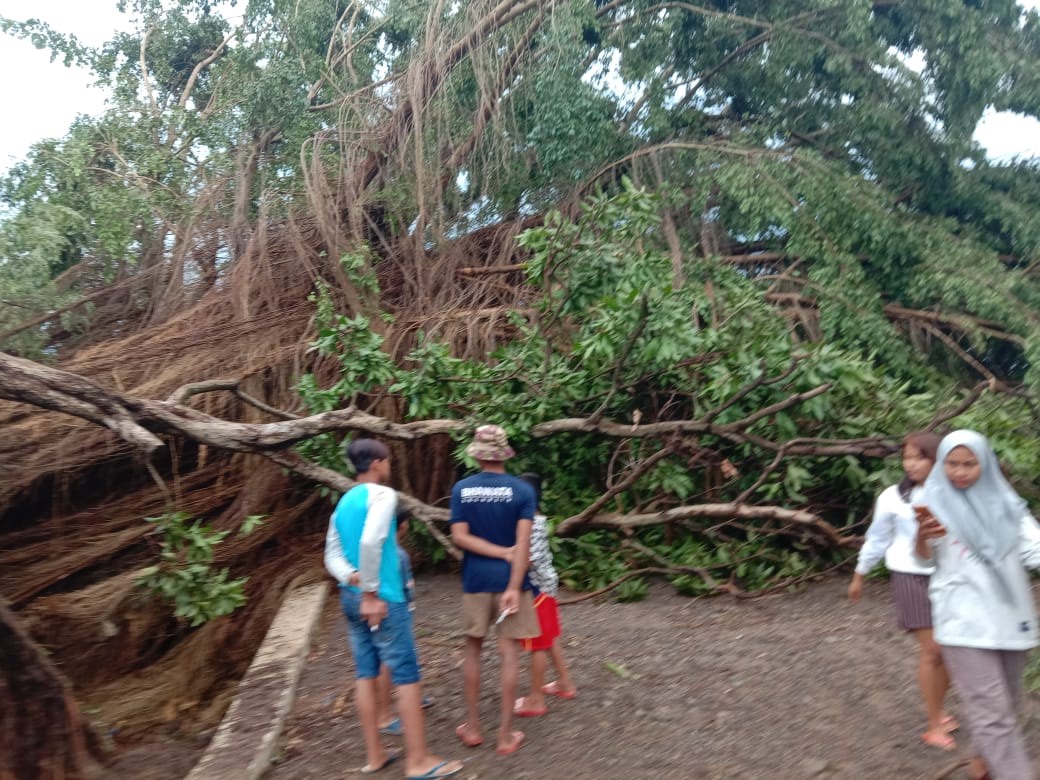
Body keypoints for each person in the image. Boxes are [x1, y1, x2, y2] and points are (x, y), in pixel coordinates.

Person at [323, 438, 462, 780]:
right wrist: (371, 591)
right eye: (386, 459)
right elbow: (372, 540)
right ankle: (418, 761)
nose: (389, 464)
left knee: (365, 675)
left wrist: (353, 579)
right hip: (382, 600)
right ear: (375, 462)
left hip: (350, 596)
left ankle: (375, 755)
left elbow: (331, 554)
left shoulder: (342, 503)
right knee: (407, 676)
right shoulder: (384, 495)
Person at [914, 429, 1040, 780]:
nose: (960, 472)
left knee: (1009, 708)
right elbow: (924, 562)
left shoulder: (1007, 505)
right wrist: (921, 537)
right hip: (963, 622)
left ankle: (981, 766)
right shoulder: (933, 503)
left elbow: (1034, 548)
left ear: (985, 464)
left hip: (1011, 619)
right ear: (942, 464)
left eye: (970, 464)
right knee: (993, 714)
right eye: (952, 464)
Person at [847, 431, 957, 750]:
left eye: (918, 457)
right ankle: (934, 723)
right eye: (906, 457)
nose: (910, 464)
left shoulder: (954, 493)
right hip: (909, 576)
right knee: (933, 650)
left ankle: (940, 709)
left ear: (936, 460)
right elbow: (877, 538)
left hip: (949, 577)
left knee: (951, 649)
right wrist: (860, 573)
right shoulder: (892, 497)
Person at [449, 424, 540, 756]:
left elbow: (459, 537)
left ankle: (472, 727)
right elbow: (523, 545)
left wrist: (494, 552)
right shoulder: (522, 491)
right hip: (510, 581)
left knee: (472, 650)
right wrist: (514, 583)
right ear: (504, 453)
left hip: (475, 579)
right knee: (509, 654)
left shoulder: (462, 489)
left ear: (476, 454)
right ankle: (504, 736)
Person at [512, 472, 577, 718]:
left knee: (537, 644)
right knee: (549, 639)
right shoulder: (536, 520)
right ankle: (565, 683)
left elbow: (527, 561)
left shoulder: (534, 524)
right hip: (546, 588)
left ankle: (535, 699)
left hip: (538, 591)